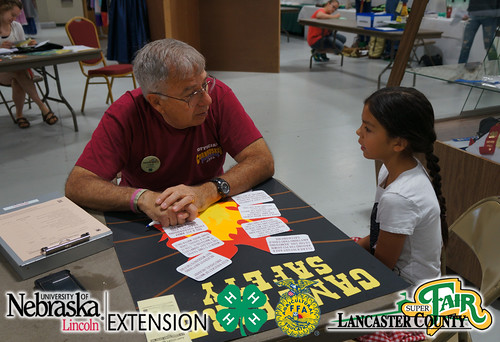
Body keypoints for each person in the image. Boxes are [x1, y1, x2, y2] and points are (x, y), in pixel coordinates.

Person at [65, 38, 274, 228]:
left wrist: (207, 191)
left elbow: (261, 160)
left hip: (208, 209)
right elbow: (78, 184)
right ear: (157, 102)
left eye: (205, 83)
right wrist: (143, 198)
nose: (206, 100)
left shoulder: (218, 96)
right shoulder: (125, 114)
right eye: (192, 93)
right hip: (145, 219)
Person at [355, 87, 448, 286]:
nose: (358, 132)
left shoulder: (399, 197)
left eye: (368, 129)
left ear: (398, 143)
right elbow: (378, 236)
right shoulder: (390, 170)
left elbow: (382, 268)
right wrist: (351, 247)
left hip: (410, 294)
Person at [0, 0, 57, 128]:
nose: (14, 19)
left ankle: (19, 115)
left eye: (16, 16)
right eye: (12, 15)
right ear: (2, 9)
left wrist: (28, 44)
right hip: (1, 70)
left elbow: (22, 49)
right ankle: (43, 107)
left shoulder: (16, 26)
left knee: (18, 75)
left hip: (16, 68)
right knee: (19, 72)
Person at [458, 0, 499, 64]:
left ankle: (495, 69)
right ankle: (460, 70)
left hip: (490, 15)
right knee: (466, 44)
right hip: (474, 12)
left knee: (489, 46)